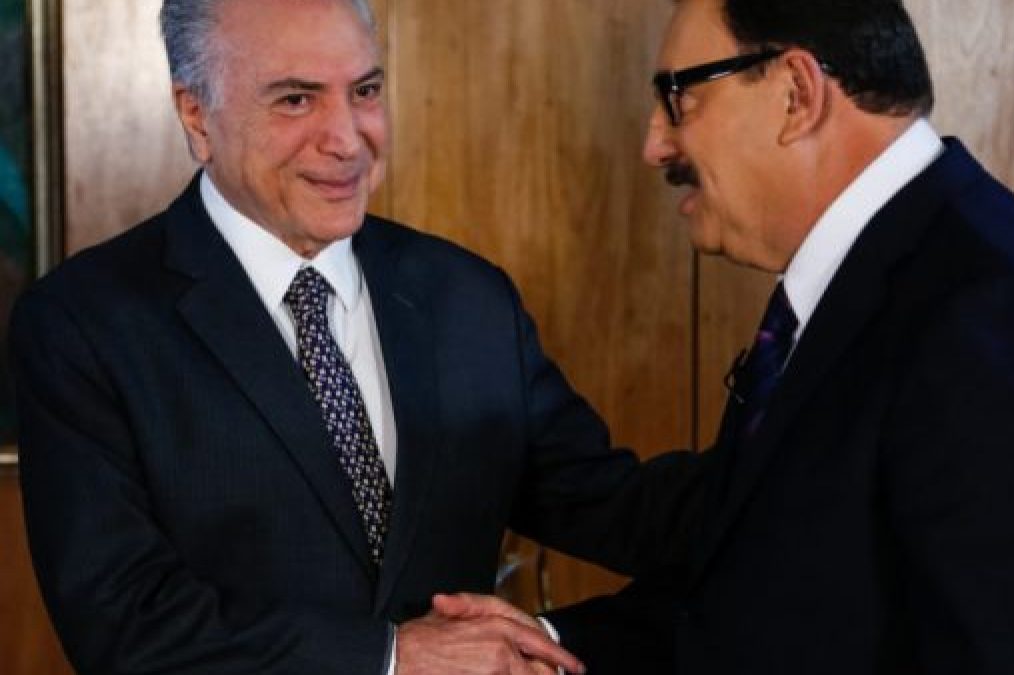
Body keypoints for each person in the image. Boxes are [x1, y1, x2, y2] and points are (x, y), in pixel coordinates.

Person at [442, 0, 1014, 672]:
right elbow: (762, 585)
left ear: (796, 93)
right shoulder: (876, 287)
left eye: (679, 97)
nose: (654, 145)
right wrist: (544, 647)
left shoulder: (1006, 327)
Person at [9, 0, 706, 672]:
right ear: (197, 113)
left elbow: (613, 505)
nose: (347, 139)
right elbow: (122, 618)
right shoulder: (83, 323)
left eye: (365, 91)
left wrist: (773, 444)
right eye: (296, 99)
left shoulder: (468, 296)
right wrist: (392, 658)